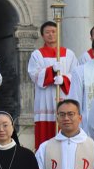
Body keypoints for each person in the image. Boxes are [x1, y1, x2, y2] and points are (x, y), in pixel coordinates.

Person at [28, 20, 77, 149]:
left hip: (64, 96)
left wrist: (64, 79)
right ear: (42, 35)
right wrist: (51, 71)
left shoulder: (69, 54)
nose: (51, 35)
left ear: (58, 33)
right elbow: (34, 74)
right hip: (45, 99)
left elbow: (76, 74)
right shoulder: (37, 54)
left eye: (54, 32)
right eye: (47, 32)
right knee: (46, 133)